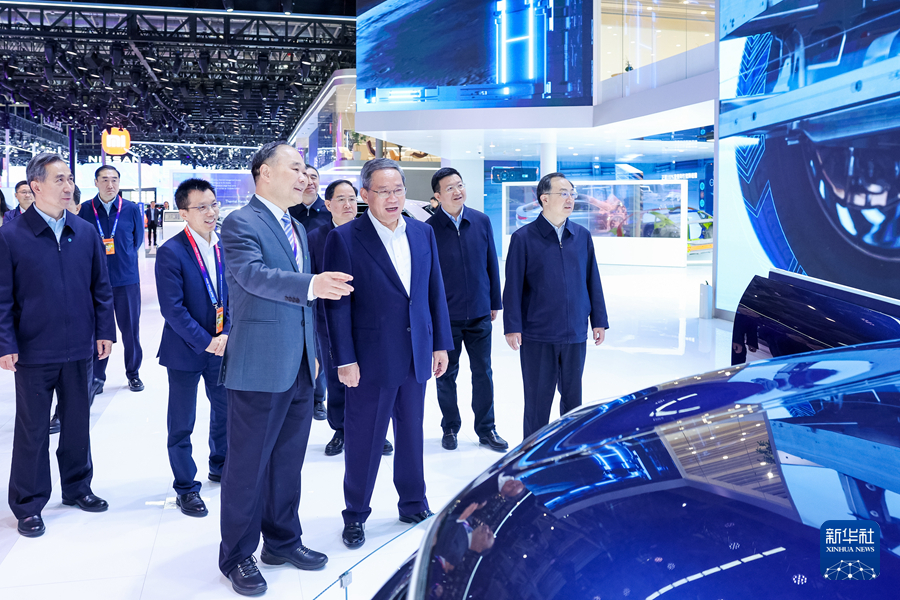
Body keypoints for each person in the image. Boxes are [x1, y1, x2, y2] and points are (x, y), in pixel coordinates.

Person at [217, 141, 353, 596]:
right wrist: (313, 283)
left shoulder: (295, 224)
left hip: (298, 365)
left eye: (306, 169)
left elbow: (303, 305)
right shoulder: (240, 222)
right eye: (294, 168)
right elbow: (253, 276)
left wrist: (313, 351)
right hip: (258, 364)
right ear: (265, 173)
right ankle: (237, 555)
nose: (304, 176)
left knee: (287, 462)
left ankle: (282, 541)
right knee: (247, 466)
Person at [324, 157, 453, 549]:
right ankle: (355, 514)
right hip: (369, 360)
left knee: (412, 434)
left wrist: (440, 342)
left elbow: (434, 290)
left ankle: (413, 503)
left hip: (416, 353)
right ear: (366, 194)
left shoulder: (422, 232)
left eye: (398, 190)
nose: (393, 198)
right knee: (364, 440)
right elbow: (337, 306)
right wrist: (345, 359)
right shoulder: (345, 238)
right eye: (383, 191)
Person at [0, 153, 115, 538]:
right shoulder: (11, 236)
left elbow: (101, 288)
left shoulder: (85, 232)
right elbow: (2, 297)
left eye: (69, 178)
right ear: (36, 186)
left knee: (77, 423)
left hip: (80, 347)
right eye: (59, 179)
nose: (68, 186)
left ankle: (78, 487)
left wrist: (105, 331)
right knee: (32, 429)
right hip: (34, 351)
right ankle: (28, 503)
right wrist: (5, 342)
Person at [503, 172, 609, 439]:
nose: (570, 198)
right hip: (538, 335)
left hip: (575, 334)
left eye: (572, 193)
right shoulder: (524, 238)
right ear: (544, 199)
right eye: (563, 193)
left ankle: (569, 450)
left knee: (573, 402)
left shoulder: (581, 236)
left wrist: (598, 320)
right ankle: (532, 454)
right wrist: (512, 326)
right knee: (538, 403)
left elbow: (592, 279)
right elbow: (513, 286)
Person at [155, 179, 230, 518]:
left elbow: (235, 296)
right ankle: (186, 486)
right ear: (183, 213)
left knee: (225, 411)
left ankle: (221, 465)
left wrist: (226, 334)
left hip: (222, 347)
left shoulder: (225, 246)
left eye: (213, 204)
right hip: (185, 351)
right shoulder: (171, 252)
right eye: (201, 207)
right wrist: (207, 341)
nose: (210, 212)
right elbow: (173, 309)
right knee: (182, 422)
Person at [307, 180, 393, 457]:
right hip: (329, 321)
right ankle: (341, 429)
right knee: (337, 378)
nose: (348, 204)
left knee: (371, 377)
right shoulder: (315, 238)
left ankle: (375, 430)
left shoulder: (371, 233)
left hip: (369, 323)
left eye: (352, 199)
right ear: (328, 204)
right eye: (341, 199)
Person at [426, 168, 506, 453]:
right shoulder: (429, 229)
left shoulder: (481, 221)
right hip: (446, 318)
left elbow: (491, 263)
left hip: (480, 313)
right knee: (446, 375)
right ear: (437, 196)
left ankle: (487, 429)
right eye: (449, 188)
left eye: (459, 185)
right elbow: (426, 277)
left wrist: (494, 302)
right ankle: (450, 426)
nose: (457, 191)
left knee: (483, 372)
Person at [78, 165, 145, 393]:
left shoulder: (131, 209)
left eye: (114, 179)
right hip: (95, 282)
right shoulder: (85, 209)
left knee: (131, 331)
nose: (110, 184)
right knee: (99, 331)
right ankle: (97, 377)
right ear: (96, 182)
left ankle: (133, 374)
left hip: (126, 280)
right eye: (105, 179)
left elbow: (137, 241)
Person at [288, 163, 331, 419]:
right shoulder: (287, 213)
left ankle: (318, 398)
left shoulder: (329, 212)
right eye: (304, 176)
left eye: (314, 176)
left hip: (324, 288)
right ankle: (297, 394)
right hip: (294, 289)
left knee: (320, 345)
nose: (309, 181)